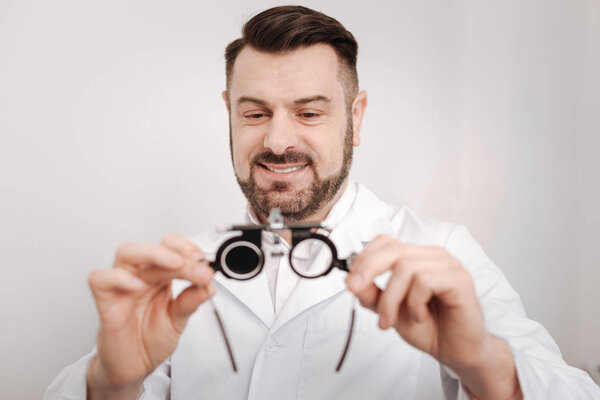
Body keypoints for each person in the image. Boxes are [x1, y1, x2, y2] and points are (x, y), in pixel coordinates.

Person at [45, 5, 600, 400]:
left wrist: (487, 366)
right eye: (255, 112)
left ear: (355, 118)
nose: (278, 140)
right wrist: (109, 386)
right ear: (229, 113)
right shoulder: (177, 271)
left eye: (309, 112)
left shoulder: (441, 252)